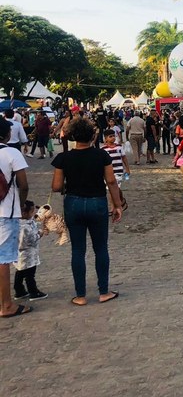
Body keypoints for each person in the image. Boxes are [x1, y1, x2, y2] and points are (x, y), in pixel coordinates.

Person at [52, 118, 123, 305]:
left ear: (72, 136)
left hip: (73, 203)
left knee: (77, 250)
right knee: (100, 248)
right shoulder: (101, 156)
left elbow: (56, 186)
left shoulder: (63, 158)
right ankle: (104, 291)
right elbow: (112, 182)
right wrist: (117, 205)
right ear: (93, 136)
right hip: (97, 202)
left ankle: (80, 295)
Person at [0, 119, 32, 317]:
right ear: (7, 135)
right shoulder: (12, 153)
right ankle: (6, 305)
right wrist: (21, 204)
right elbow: (24, 184)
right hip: (6, 212)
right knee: (3, 260)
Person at [13, 200, 46, 301]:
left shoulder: (18, 223)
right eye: (31, 212)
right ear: (24, 213)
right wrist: (39, 234)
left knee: (20, 272)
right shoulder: (24, 227)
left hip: (20, 255)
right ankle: (33, 291)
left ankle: (19, 290)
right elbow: (29, 240)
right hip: (27, 255)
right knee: (30, 274)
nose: (33, 214)